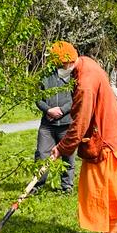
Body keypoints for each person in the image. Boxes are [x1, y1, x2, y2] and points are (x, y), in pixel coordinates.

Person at [48, 41, 117, 233]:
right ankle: (106, 231)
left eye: (56, 64)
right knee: (96, 187)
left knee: (105, 188)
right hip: (106, 135)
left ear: (65, 62)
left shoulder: (85, 82)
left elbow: (80, 122)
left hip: (105, 141)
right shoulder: (85, 63)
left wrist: (61, 148)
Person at [34, 60, 75, 193]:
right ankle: (37, 185)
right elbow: (38, 98)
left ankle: (67, 185)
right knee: (41, 154)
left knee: (68, 155)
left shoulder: (72, 75)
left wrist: (62, 110)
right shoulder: (44, 76)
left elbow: (76, 98)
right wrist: (48, 110)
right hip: (47, 124)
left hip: (66, 123)